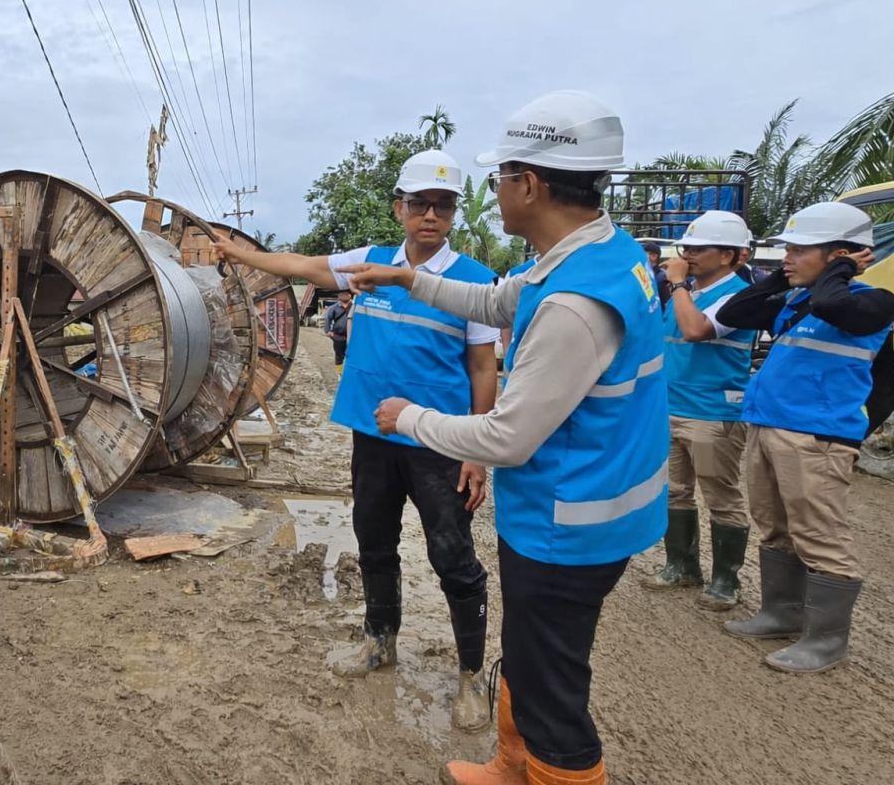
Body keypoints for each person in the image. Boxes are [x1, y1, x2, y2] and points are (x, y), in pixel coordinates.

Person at [341, 91, 666, 785]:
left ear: (531, 185)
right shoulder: (595, 255)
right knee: (526, 656)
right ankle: (512, 764)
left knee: (552, 691)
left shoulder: (576, 305)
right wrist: (409, 279)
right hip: (575, 503)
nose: (495, 191)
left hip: (568, 523)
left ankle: (547, 767)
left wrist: (409, 419)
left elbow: (509, 436)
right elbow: (496, 301)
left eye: (500, 177)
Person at [211, 149, 501, 731]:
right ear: (399, 208)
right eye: (419, 203)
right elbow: (301, 265)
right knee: (374, 541)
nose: (431, 215)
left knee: (452, 557)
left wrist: (477, 450)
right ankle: (379, 641)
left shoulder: (473, 282)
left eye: (443, 206)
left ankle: (470, 675)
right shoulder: (369, 264)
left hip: (440, 444)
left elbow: (482, 369)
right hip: (374, 437)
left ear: (452, 213)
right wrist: (241, 253)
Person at [718, 201, 894, 673]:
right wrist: (783, 276)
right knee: (775, 525)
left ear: (842, 255)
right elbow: (737, 310)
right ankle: (782, 613)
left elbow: (834, 304)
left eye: (799, 250)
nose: (787, 258)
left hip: (817, 438)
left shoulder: (874, 303)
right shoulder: (797, 301)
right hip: (770, 426)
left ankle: (826, 640)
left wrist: (840, 270)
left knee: (820, 535)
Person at [643, 211, 757, 609]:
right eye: (686, 248)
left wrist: (676, 284)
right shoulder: (686, 294)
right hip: (671, 406)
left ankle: (726, 579)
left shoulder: (738, 296)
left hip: (712, 411)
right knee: (675, 491)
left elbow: (695, 330)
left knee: (721, 495)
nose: (687, 255)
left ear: (729, 255)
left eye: (698, 248)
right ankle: (682, 565)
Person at [323, 289, 353, 374]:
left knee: (352, 355)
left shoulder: (354, 307)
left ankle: (349, 373)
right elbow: (328, 319)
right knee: (339, 356)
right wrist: (328, 331)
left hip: (352, 336)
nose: (343, 295)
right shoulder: (334, 308)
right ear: (339, 296)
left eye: (345, 294)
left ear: (350, 295)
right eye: (341, 294)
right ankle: (340, 373)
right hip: (338, 336)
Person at [642, 241, 672, 307]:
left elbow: (667, 303)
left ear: (654, 256)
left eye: (644, 254)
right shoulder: (644, 274)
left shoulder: (662, 277)